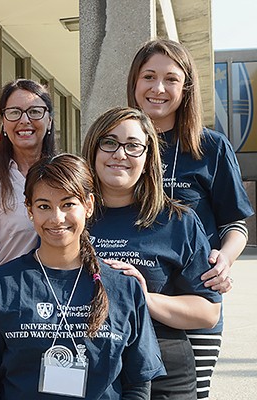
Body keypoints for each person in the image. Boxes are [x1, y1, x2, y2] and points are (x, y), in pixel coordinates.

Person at [0, 154, 165, 399]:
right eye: (44, 206)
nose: (56, 218)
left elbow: (138, 384)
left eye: (68, 204)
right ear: (29, 210)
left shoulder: (124, 289)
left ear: (89, 205)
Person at [127, 39, 254, 398]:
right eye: (148, 76)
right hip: (130, 301)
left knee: (188, 394)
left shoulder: (209, 146)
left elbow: (235, 224)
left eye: (171, 79)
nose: (158, 88)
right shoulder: (117, 144)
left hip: (193, 303)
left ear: (186, 88)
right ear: (134, 83)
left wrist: (224, 261)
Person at [83, 107, 223, 399]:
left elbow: (208, 312)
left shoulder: (177, 221)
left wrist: (143, 298)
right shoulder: (70, 217)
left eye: (133, 145)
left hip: (161, 369)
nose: (120, 154)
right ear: (93, 149)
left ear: (148, 159)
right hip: (87, 367)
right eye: (108, 142)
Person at [0, 79, 56, 298]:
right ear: (3, 123)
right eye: (14, 112)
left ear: (50, 120)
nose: (25, 120)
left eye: (35, 111)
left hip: (64, 300)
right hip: (11, 302)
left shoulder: (66, 179)